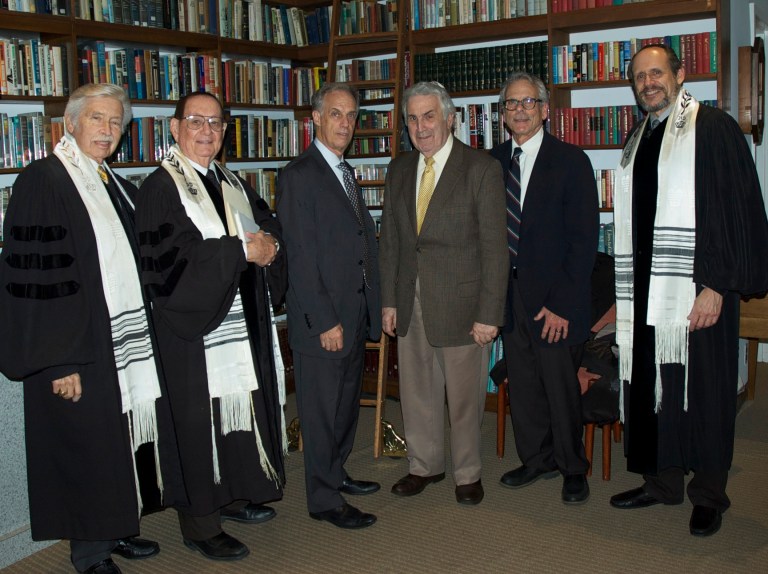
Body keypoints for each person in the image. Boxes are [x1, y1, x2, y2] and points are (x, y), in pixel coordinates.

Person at [0, 84, 185, 574]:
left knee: (115, 442)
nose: (107, 130)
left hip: (115, 340)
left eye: (115, 123)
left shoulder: (109, 181)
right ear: (71, 124)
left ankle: (116, 527)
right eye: (97, 119)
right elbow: (40, 278)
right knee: (84, 447)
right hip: (73, 348)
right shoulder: (44, 181)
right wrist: (59, 360)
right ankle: (89, 554)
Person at [609, 44, 768, 536]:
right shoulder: (637, 138)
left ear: (680, 73)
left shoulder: (712, 128)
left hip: (698, 291)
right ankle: (662, 482)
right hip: (648, 294)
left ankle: (708, 495)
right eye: (639, 77)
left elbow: (735, 211)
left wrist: (717, 285)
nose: (648, 82)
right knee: (655, 391)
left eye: (657, 73)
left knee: (704, 393)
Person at [135, 92, 287, 559]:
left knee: (237, 406)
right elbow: (172, 263)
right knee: (199, 420)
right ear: (175, 128)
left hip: (239, 319)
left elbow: (265, 224)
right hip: (191, 331)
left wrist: (272, 246)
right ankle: (201, 524)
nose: (207, 131)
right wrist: (240, 252)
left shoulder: (229, 179)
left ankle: (234, 493)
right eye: (196, 122)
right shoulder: (161, 188)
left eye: (216, 123)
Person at [379, 81, 508, 505]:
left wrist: (490, 313)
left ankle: (467, 473)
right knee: (416, 392)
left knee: (465, 398)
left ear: (450, 119)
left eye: (429, 116)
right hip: (410, 300)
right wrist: (389, 301)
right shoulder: (399, 169)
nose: (421, 126)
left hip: (464, 304)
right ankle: (424, 465)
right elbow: (392, 242)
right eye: (412, 118)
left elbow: (494, 248)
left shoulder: (480, 168)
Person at [276, 82, 382, 529]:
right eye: (336, 113)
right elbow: (299, 256)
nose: (345, 122)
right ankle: (322, 499)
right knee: (320, 411)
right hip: (324, 320)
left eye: (352, 115)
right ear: (315, 118)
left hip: (354, 312)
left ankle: (336, 473)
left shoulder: (345, 171)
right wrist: (324, 320)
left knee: (343, 405)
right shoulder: (298, 175)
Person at [491, 72, 598, 505]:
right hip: (508, 296)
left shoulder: (572, 161)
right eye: (511, 104)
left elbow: (583, 242)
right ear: (502, 115)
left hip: (555, 298)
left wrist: (562, 305)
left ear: (546, 109)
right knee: (524, 383)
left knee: (560, 387)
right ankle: (536, 459)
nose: (520, 110)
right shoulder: (491, 163)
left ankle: (573, 467)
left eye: (528, 102)